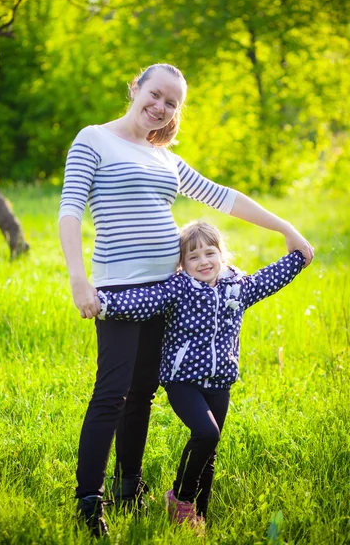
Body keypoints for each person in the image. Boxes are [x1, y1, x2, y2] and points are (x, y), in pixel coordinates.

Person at [58, 63, 313, 537]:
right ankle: (88, 499)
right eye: (155, 95)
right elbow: (70, 209)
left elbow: (223, 196)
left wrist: (286, 228)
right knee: (111, 394)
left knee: (142, 395)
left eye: (171, 103)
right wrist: (78, 279)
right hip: (118, 288)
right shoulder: (93, 139)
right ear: (135, 88)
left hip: (168, 293)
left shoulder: (164, 158)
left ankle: (128, 485)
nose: (160, 107)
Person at [95, 220, 307, 534]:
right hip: (182, 381)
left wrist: (299, 256)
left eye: (210, 253)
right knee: (207, 433)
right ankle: (179, 498)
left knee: (209, 451)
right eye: (193, 257)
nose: (203, 261)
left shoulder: (237, 286)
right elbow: (142, 303)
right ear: (182, 263)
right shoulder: (179, 288)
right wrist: (103, 304)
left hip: (220, 382)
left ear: (222, 255)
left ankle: (198, 517)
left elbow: (270, 278)